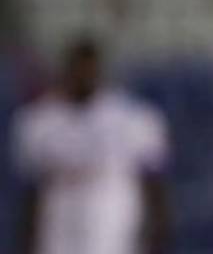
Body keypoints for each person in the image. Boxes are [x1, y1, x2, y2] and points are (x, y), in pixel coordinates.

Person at [11, 37, 171, 254]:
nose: (83, 75)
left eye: (89, 68)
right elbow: (32, 190)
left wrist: (159, 233)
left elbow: (153, 183)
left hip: (113, 218)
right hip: (59, 223)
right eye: (77, 68)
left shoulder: (132, 117)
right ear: (66, 70)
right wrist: (27, 240)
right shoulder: (38, 120)